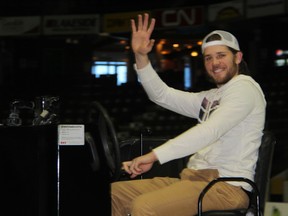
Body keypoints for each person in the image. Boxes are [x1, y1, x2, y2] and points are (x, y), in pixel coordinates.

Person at [111, 13, 266, 216]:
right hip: (192, 180)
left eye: (221, 55)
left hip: (226, 186)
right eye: (209, 58)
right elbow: (162, 96)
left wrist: (153, 156)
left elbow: (210, 130)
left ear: (237, 57)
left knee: (145, 206)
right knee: (114, 194)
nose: (215, 63)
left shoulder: (245, 88)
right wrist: (141, 56)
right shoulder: (212, 97)